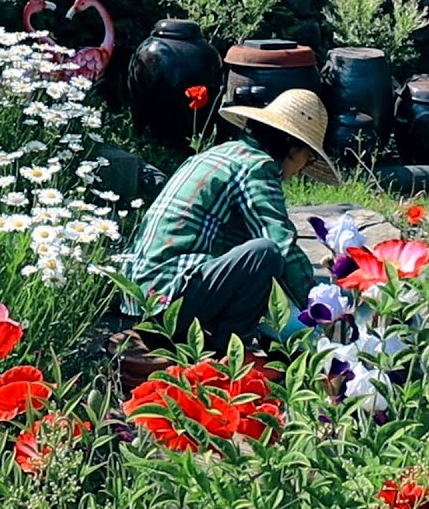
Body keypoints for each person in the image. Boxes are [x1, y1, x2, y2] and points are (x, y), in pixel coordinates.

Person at [122, 88, 339, 352]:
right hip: (167, 299)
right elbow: (282, 245)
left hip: (140, 297)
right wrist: (320, 309)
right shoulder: (257, 166)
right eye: (309, 158)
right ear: (292, 146)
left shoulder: (220, 154)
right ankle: (228, 353)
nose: (303, 168)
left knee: (252, 256)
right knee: (265, 255)